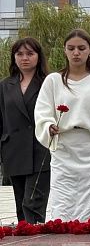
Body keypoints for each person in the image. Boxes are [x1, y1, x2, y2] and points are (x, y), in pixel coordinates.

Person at [34, 29, 90, 221]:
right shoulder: (53, 81)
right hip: (64, 153)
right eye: (71, 48)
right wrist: (49, 126)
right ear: (64, 51)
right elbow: (41, 112)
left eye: (81, 48)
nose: (76, 53)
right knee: (63, 209)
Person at [1, 38, 50, 223]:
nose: (24, 58)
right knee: (20, 205)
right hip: (13, 150)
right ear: (14, 57)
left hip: (40, 150)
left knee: (33, 205)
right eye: (19, 54)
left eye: (30, 54)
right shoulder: (5, 86)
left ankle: (35, 245)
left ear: (38, 56)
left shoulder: (48, 82)